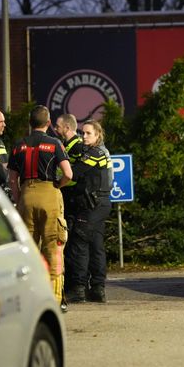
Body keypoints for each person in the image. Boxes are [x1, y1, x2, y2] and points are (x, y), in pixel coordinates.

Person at [8, 105, 72, 308]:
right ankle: (53, 300)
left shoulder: (19, 145)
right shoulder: (54, 144)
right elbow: (68, 174)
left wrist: (19, 200)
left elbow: (12, 180)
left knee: (28, 249)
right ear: (49, 123)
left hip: (26, 195)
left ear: (30, 123)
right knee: (53, 247)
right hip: (49, 195)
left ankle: (29, 299)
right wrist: (57, 185)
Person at [65, 120, 113, 303]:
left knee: (79, 242)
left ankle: (79, 288)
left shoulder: (95, 153)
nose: (83, 136)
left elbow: (75, 173)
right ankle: (98, 289)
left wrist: (58, 179)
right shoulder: (100, 151)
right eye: (82, 133)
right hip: (99, 204)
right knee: (96, 244)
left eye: (88, 133)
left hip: (93, 205)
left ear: (98, 135)